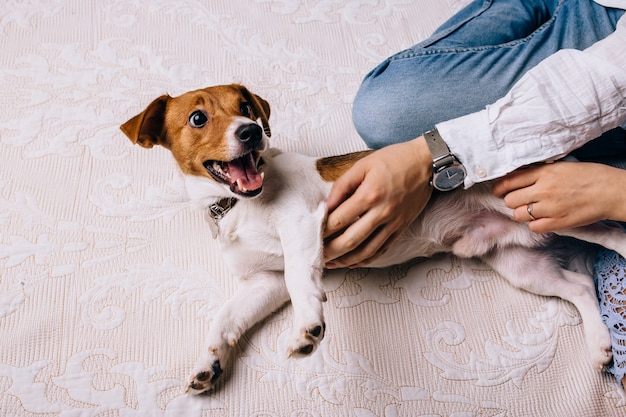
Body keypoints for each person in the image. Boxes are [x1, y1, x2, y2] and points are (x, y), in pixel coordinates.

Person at [323, 0, 626, 386]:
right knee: (388, 111)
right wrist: (429, 153)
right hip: (609, 28)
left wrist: (616, 194)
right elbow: (608, 78)